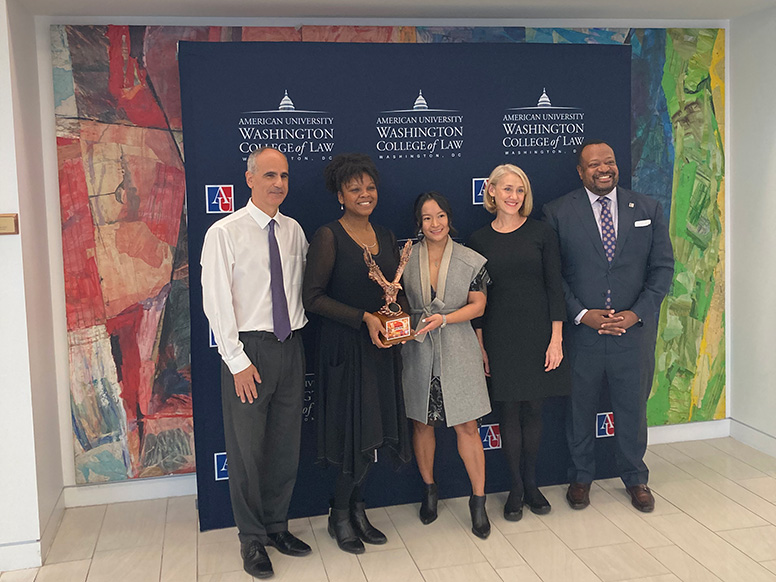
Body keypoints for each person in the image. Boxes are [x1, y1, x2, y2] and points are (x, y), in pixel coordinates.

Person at [543, 140, 674, 513]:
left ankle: (635, 477)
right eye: (594, 164)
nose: (604, 169)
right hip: (583, 333)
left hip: (632, 334)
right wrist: (582, 314)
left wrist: (636, 314)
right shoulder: (556, 212)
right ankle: (581, 476)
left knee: (633, 410)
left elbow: (662, 269)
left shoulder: (647, 208)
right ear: (580, 171)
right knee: (580, 410)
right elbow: (554, 277)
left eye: (610, 162)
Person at [201, 147, 311, 579]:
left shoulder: (294, 230)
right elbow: (216, 302)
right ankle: (251, 540)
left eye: (283, 175)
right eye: (269, 175)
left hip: (290, 347)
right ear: (249, 180)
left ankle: (276, 527)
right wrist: (236, 359)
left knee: (285, 445)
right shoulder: (224, 232)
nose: (278, 183)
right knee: (247, 451)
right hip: (248, 352)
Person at [303, 153, 411, 554]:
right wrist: (363, 317)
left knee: (376, 431)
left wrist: (401, 320)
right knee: (355, 435)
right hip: (346, 349)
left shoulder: (385, 235)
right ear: (340, 195)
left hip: (382, 348)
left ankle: (358, 508)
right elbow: (311, 298)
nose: (364, 194)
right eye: (355, 189)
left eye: (369, 187)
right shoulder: (328, 236)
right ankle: (339, 514)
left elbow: (393, 292)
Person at [469, 164, 570, 522]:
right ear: (492, 191)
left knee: (534, 411)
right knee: (508, 412)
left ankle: (532, 485)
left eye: (520, 190)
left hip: (538, 334)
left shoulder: (542, 233)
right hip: (499, 335)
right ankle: (514, 489)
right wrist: (480, 344)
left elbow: (555, 287)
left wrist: (556, 338)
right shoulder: (478, 240)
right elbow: (477, 297)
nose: (514, 196)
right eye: (507, 189)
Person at [402, 192, 492, 538]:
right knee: (422, 424)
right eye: (427, 218)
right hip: (418, 350)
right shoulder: (405, 259)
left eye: (440, 216)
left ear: (449, 219)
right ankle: (429, 491)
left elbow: (479, 305)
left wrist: (445, 319)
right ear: (419, 224)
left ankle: (478, 501)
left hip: (458, 348)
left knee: (468, 427)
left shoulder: (471, 260)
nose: (434, 224)